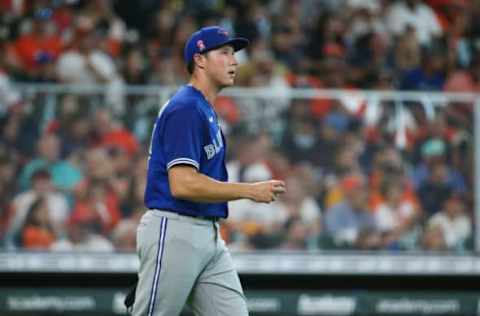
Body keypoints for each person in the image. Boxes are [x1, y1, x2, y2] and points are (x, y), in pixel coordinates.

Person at [131, 26, 286, 316]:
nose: (234, 61)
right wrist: (249, 190)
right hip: (175, 227)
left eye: (234, 54)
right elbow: (183, 184)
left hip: (207, 234)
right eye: (224, 53)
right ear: (200, 60)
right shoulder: (186, 108)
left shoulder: (204, 109)